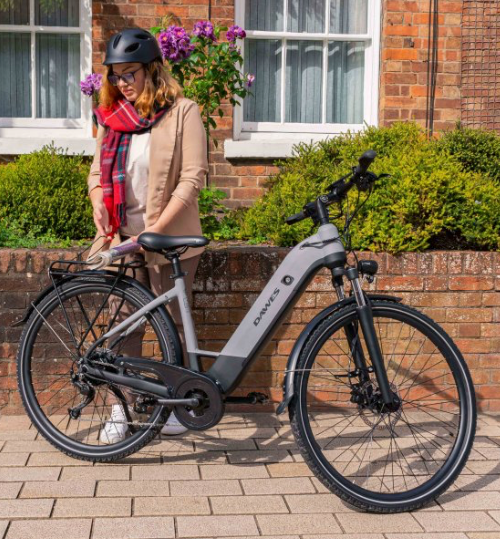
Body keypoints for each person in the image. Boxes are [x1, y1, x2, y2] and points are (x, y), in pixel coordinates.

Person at [86, 28, 208, 442]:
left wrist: (156, 230)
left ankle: (179, 404)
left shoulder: (183, 113)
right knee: (123, 325)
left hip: (169, 239)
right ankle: (122, 408)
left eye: (130, 74)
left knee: (176, 324)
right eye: (115, 75)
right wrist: (98, 199)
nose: (122, 83)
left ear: (152, 70)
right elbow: (96, 173)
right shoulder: (112, 118)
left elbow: (192, 178)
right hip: (122, 238)